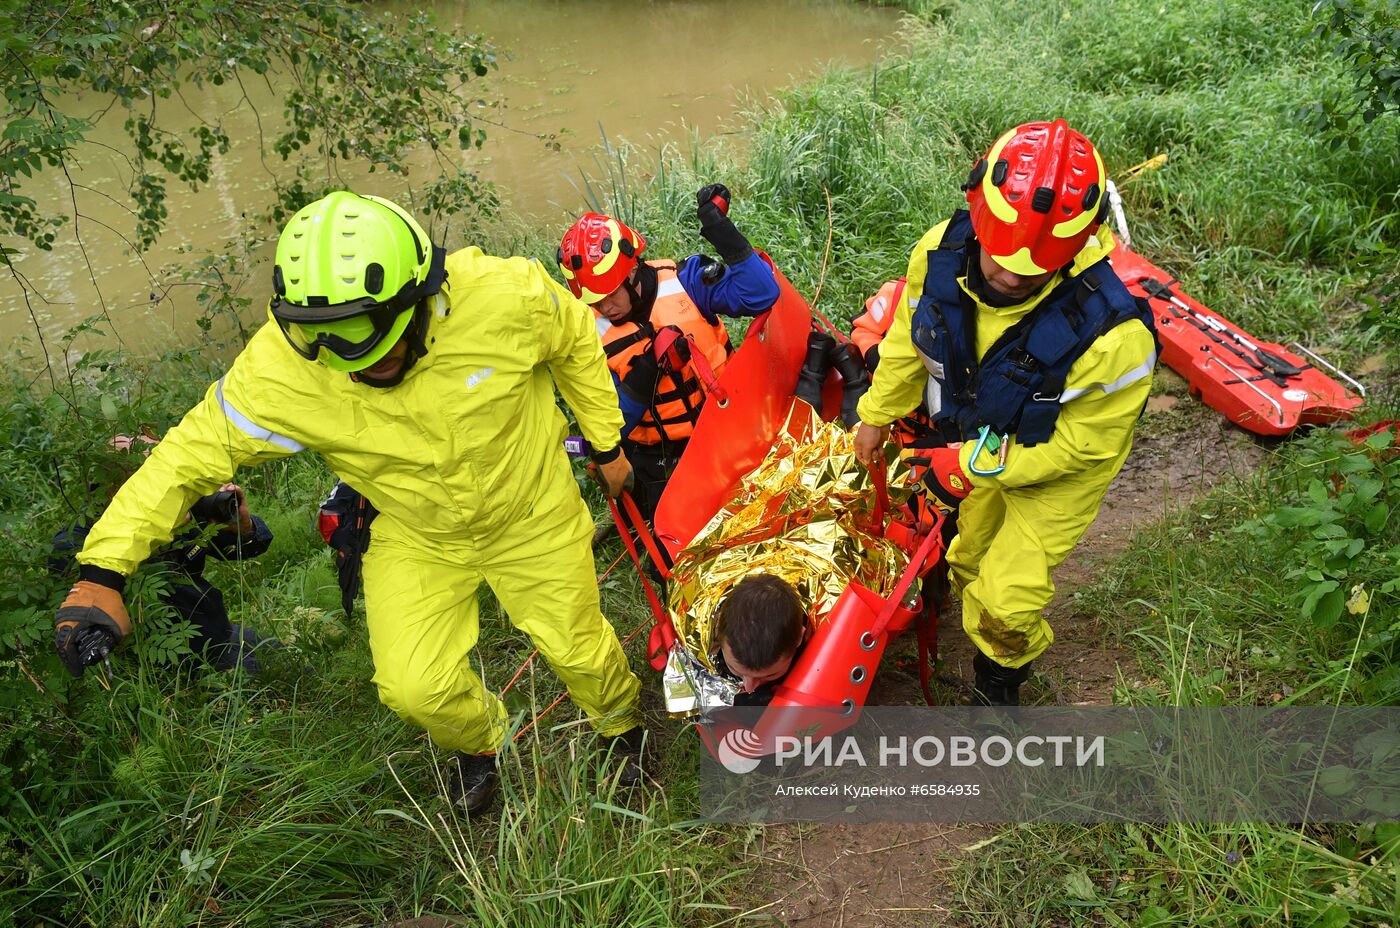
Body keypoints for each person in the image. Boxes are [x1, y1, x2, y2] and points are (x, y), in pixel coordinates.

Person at [54, 191, 646, 815]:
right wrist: (102, 571)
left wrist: (607, 445)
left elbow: (577, 339)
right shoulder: (283, 370)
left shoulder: (505, 294)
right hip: (416, 531)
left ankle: (620, 726)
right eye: (335, 353)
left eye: (380, 345)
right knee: (413, 687)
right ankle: (480, 744)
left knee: (578, 646)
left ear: (420, 299)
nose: (362, 368)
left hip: (529, 508)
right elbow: (183, 458)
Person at [854, 119, 1158, 706]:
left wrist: (969, 466)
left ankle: (1000, 688)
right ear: (979, 213)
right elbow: (905, 344)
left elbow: (1084, 447)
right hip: (990, 440)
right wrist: (875, 416)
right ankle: (979, 633)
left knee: (1006, 598)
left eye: (1035, 266)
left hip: (1057, 470)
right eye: (1000, 256)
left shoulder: (1115, 336)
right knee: (969, 559)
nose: (1013, 275)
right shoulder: (937, 254)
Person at [557, 184, 780, 526]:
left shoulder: (686, 282)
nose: (604, 307)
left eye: (609, 295)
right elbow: (607, 427)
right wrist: (647, 371)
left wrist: (720, 229)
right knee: (674, 540)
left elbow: (762, 294)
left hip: (725, 426)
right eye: (593, 301)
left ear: (631, 271)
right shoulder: (587, 332)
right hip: (658, 455)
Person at [51, 433, 278, 676]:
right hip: (157, 666)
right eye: (156, 475)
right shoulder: (77, 542)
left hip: (214, 633)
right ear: (118, 487)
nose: (169, 483)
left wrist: (242, 528)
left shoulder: (182, 507)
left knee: (285, 657)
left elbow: (251, 547)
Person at [711, 573, 808, 707]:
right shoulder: (710, 632)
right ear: (716, 628)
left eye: (770, 675)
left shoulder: (817, 647)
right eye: (734, 669)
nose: (749, 687)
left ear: (799, 638)